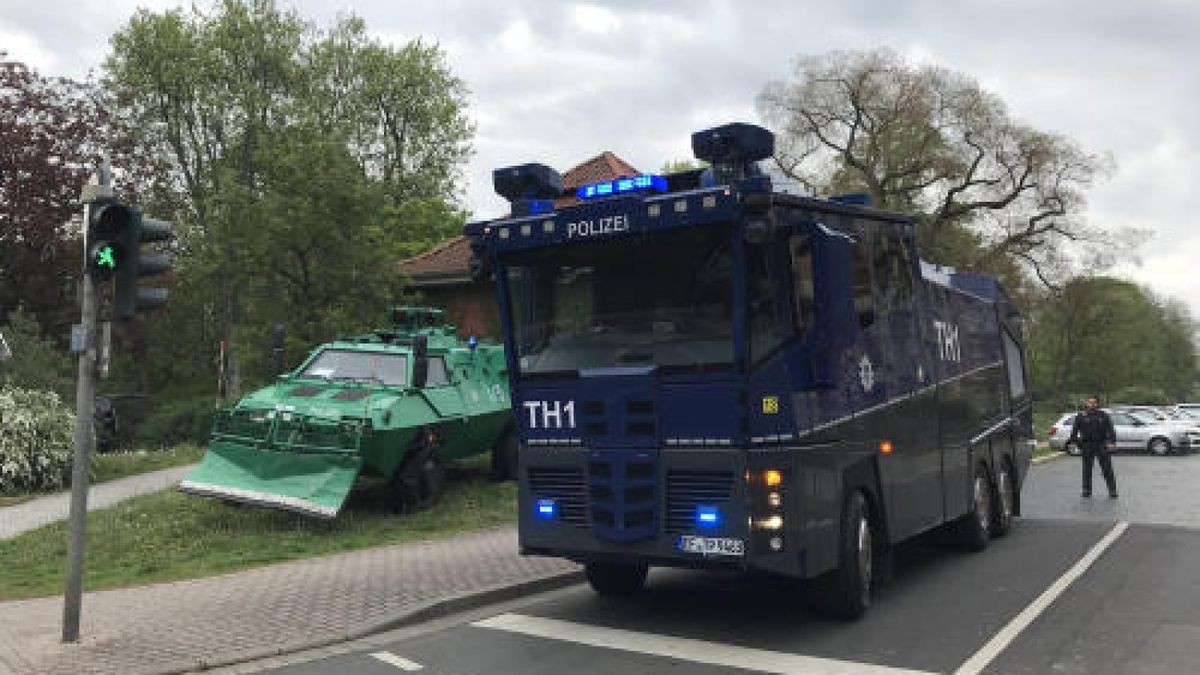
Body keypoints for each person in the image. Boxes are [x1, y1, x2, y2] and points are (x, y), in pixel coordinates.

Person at [1067, 396, 1118, 498]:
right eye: (1090, 402)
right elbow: (1074, 433)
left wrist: (1112, 442)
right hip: (1087, 445)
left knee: (1107, 469)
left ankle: (1112, 490)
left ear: (1097, 404)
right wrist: (1079, 444)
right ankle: (1086, 490)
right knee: (1087, 469)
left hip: (1101, 444)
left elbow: (1111, 430)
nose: (1092, 404)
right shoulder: (1081, 416)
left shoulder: (1103, 415)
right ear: (1087, 403)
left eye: (1094, 403)